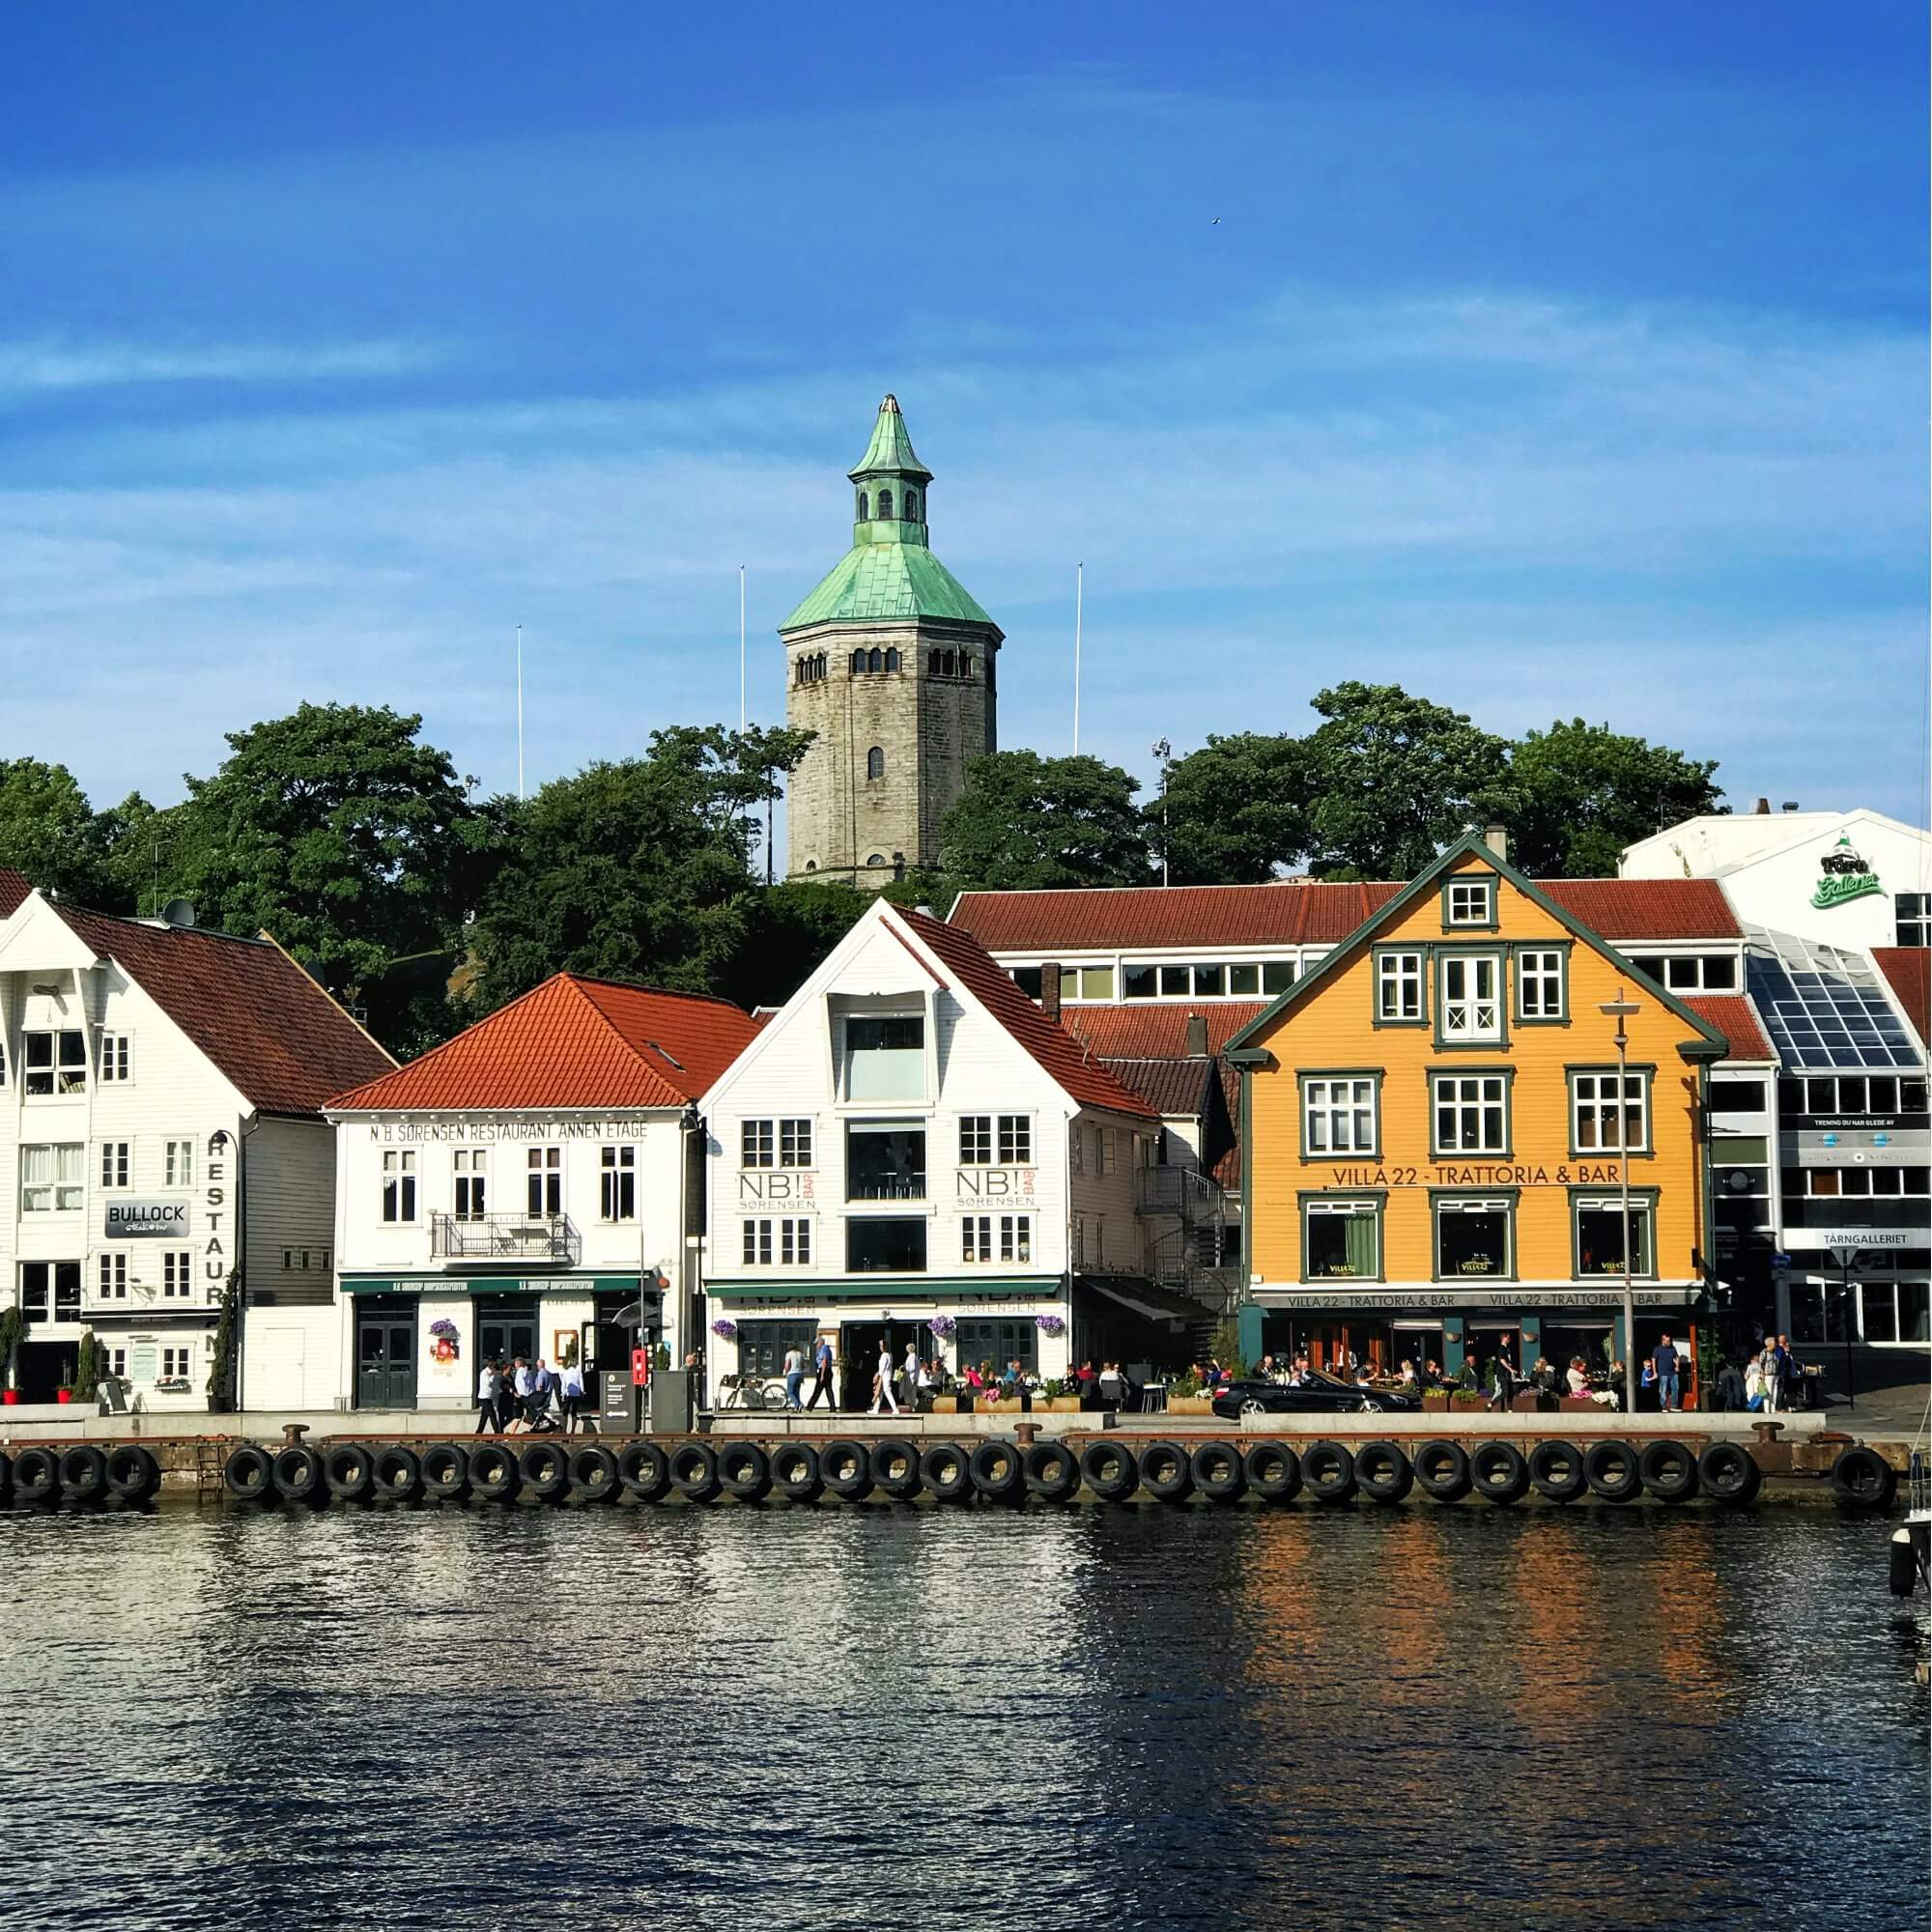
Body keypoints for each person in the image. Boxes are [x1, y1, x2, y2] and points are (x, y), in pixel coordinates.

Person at [806, 1333, 837, 1410]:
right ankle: (832, 1408)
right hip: (827, 1371)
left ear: (821, 1342)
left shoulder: (823, 1348)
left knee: (818, 1390)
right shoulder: (824, 1349)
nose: (816, 1346)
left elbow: (824, 1361)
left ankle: (809, 1407)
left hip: (824, 1371)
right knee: (828, 1390)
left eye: (817, 1343)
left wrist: (822, 1375)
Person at [1652, 1334, 1680, 1413]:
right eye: (1668, 1341)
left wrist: (1677, 1366)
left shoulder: (1673, 1348)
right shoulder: (1657, 1349)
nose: (1669, 1342)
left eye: (1670, 1340)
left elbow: (1677, 1357)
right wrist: (1654, 1372)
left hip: (1673, 1373)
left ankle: (1674, 1406)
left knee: (1675, 1389)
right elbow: (1653, 1360)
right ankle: (1664, 1407)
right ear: (1663, 1341)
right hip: (1663, 1373)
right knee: (1663, 1390)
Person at [871, 1342, 899, 1415]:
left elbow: (882, 1368)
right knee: (880, 1393)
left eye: (881, 1346)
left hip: (884, 1376)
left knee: (887, 1392)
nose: (880, 1347)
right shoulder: (890, 1355)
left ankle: (895, 1409)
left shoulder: (884, 1355)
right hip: (887, 1375)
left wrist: (877, 1375)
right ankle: (875, 1409)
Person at [561, 1356, 587, 1434]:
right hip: (576, 1394)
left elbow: (564, 1384)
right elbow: (581, 1383)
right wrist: (582, 1392)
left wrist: (562, 1394)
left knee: (565, 1412)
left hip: (568, 1394)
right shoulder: (578, 1372)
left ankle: (564, 1430)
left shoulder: (566, 1372)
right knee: (574, 1412)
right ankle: (573, 1430)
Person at [475, 1358, 501, 1435]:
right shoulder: (485, 1373)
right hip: (484, 1397)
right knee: (492, 1414)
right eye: (494, 1368)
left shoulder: (489, 1373)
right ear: (491, 1367)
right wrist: (493, 1376)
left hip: (488, 1396)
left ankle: (479, 1432)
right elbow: (488, 1383)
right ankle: (497, 1432)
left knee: (484, 1416)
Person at [782, 1343, 806, 1411]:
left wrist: (786, 1372)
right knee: (797, 1392)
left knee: (790, 1392)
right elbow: (802, 1365)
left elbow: (787, 1365)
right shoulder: (800, 1354)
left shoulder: (788, 1354)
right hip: (800, 1374)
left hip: (792, 1374)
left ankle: (797, 1405)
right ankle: (798, 1408)